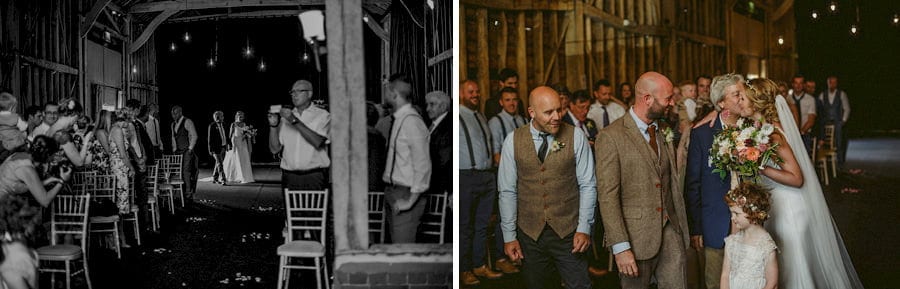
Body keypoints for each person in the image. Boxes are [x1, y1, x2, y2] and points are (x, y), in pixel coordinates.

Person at [739, 78, 862, 288]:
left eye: (742, 98)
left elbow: (797, 178)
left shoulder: (773, 135)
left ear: (756, 102)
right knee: (780, 268)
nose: (739, 102)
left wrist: (760, 167)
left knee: (794, 269)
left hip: (790, 209)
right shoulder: (759, 129)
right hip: (775, 204)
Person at [595, 71, 688, 289]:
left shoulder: (663, 128)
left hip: (671, 231)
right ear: (647, 99)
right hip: (635, 239)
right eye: (668, 99)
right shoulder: (611, 137)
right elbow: (607, 197)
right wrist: (620, 247)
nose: (672, 103)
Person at [498, 86, 596, 289]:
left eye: (559, 110)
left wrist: (584, 228)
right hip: (530, 235)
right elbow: (507, 192)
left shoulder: (576, 136)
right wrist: (509, 236)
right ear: (532, 112)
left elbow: (588, 185)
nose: (557, 117)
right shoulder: (512, 141)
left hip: (569, 233)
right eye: (549, 112)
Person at [685, 73, 746, 289]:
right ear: (721, 103)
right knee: (715, 282)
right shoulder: (702, 134)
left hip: (751, 220)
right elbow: (693, 184)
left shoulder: (754, 130)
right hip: (715, 223)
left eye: (743, 93)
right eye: (736, 94)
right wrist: (696, 228)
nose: (742, 98)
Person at [459, 80, 505, 285]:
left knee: (482, 225)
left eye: (477, 91)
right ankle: (464, 269)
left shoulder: (480, 116)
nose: (475, 95)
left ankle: (479, 265)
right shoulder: (457, 116)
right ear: (461, 94)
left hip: (487, 176)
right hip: (466, 176)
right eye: (470, 92)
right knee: (464, 226)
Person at [382, 74, 430, 243]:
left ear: (393, 93)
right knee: (396, 248)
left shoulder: (412, 122)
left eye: (386, 90)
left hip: (406, 192)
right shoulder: (400, 119)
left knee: (403, 248)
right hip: (394, 190)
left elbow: (423, 164)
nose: (384, 93)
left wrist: (410, 200)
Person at [271, 80, 329, 190]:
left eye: (299, 91)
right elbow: (275, 149)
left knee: (315, 202)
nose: (294, 94)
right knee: (290, 202)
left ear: (309, 94)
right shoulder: (285, 119)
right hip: (289, 176)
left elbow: (319, 142)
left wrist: (293, 120)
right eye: (292, 92)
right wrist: (273, 126)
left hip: (314, 176)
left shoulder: (322, 115)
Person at [720, 182, 778, 289]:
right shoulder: (732, 242)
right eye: (731, 213)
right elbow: (725, 275)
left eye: (736, 214)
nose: (732, 218)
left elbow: (772, 283)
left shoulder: (766, 245)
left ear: (752, 214)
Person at [817, 75, 850, 165]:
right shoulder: (822, 95)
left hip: (837, 122)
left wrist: (843, 121)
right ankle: (827, 162)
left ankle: (840, 162)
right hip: (826, 122)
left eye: (834, 82)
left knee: (839, 142)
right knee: (824, 141)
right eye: (830, 82)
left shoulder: (841, 94)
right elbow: (819, 109)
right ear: (828, 83)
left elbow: (846, 108)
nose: (832, 84)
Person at [488, 87, 527, 164]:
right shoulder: (495, 122)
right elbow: (496, 154)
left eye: (514, 100)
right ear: (501, 102)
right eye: (507, 100)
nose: (511, 103)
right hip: (506, 167)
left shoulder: (524, 120)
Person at [170, 105, 199, 200]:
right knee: (179, 172)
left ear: (180, 112)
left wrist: (190, 148)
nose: (173, 116)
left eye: (175, 114)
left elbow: (194, 135)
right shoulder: (173, 124)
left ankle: (188, 192)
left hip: (187, 150)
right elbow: (173, 137)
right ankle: (182, 192)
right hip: (178, 151)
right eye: (172, 114)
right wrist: (174, 149)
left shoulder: (187, 121)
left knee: (186, 171)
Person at [223, 111, 255, 184]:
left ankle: (243, 176)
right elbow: (230, 135)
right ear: (237, 116)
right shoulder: (233, 124)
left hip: (243, 143)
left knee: (243, 158)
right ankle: (234, 176)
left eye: (242, 117)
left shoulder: (244, 124)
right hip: (235, 142)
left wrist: (247, 134)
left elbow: (245, 133)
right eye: (240, 116)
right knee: (236, 158)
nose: (241, 118)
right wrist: (230, 144)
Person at [787, 75, 817, 154]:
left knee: (804, 157)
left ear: (804, 85)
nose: (798, 85)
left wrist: (800, 132)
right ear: (792, 84)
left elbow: (811, 121)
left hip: (804, 134)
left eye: (800, 83)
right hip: (790, 134)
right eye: (796, 83)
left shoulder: (810, 99)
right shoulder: (787, 98)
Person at [0, 92, 27, 162]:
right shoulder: (15, 117)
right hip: (15, 143)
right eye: (15, 108)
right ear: (12, 108)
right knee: (24, 135)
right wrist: (25, 124)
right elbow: (23, 128)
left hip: (3, 143)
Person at [207, 111, 230, 185]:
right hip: (215, 149)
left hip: (223, 147)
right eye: (222, 116)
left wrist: (228, 144)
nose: (223, 117)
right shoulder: (212, 126)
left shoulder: (224, 124)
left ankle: (215, 178)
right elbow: (209, 139)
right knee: (220, 164)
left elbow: (226, 135)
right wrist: (210, 150)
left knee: (218, 163)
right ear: (217, 117)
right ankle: (223, 179)